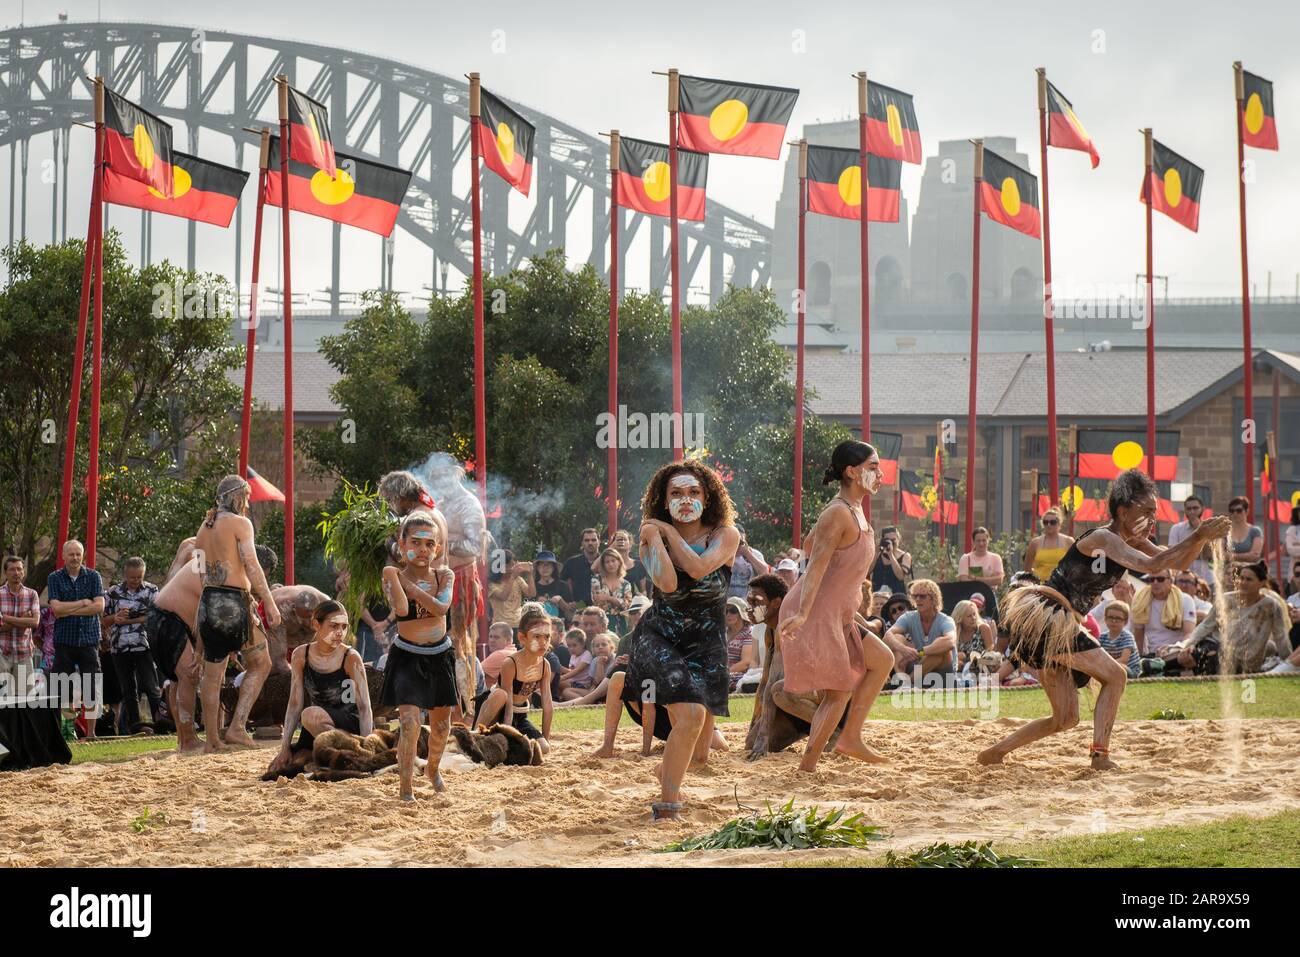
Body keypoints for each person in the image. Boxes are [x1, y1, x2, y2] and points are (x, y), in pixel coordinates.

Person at [979, 469, 1232, 770]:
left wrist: (1199, 539)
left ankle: (995, 752)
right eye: (1146, 511)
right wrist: (1199, 534)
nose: (1152, 519)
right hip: (1051, 618)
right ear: (1123, 512)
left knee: (1066, 718)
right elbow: (1154, 564)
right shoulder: (1103, 537)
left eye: (1155, 512)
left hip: (1057, 623)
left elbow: (1177, 562)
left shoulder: (1132, 542)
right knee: (1117, 675)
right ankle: (1100, 756)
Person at [620, 459, 740, 819]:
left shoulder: (726, 535)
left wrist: (668, 533)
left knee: (701, 753)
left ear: (707, 496)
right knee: (687, 717)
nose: (685, 500)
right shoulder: (648, 537)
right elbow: (669, 584)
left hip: (707, 642)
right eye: (676, 493)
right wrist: (656, 537)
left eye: (693, 492)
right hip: (661, 637)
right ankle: (667, 805)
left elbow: (701, 568)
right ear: (663, 499)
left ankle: (666, 773)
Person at [780, 440, 894, 772]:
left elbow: (808, 544)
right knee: (839, 689)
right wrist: (801, 613)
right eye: (873, 466)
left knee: (883, 659)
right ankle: (809, 766)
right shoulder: (838, 512)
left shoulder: (849, 508)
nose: (879, 472)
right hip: (814, 611)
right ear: (851, 471)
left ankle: (850, 739)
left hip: (836, 612)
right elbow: (813, 565)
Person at [193, 476, 281, 752]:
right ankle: (237, 727)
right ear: (237, 497)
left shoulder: (202, 529)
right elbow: (252, 565)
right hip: (232, 602)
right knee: (262, 663)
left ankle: (212, 741)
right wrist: (269, 602)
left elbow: (199, 573)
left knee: (212, 674)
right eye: (246, 497)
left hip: (209, 601)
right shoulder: (241, 524)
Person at [380, 509, 457, 799]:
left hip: (440, 655)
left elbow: (441, 608)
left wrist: (410, 586)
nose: (423, 550)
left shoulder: (444, 574)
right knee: (410, 722)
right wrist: (394, 578)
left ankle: (433, 768)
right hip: (407, 657)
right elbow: (401, 610)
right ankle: (405, 788)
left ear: (437, 548)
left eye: (429, 544)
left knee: (441, 725)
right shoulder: (393, 576)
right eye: (416, 542)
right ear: (402, 546)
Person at [266, 600, 374, 776]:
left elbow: (364, 707)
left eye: (344, 626)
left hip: (349, 725)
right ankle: (334, 757)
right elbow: (294, 705)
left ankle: (351, 755)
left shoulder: (350, 657)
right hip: (316, 729)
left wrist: (367, 747)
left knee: (310, 714)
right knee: (291, 765)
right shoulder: (301, 655)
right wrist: (284, 748)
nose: (340, 632)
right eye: (333, 626)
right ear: (316, 624)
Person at [144, 537, 205, 751]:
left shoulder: (197, 547)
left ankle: (183, 738)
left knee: (177, 680)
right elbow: (200, 591)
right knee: (188, 675)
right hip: (170, 617)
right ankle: (187, 739)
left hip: (167, 615)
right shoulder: (195, 547)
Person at [1178, 561, 1289, 675]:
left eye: (1249, 579)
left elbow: (1281, 637)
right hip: (1216, 646)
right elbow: (1206, 625)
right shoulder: (1225, 600)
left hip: (1245, 662)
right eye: (1241, 578)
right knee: (1187, 655)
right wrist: (1189, 645)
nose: (1244, 582)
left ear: (1262, 583)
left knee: (1211, 656)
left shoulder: (1271, 606)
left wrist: (1289, 664)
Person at [473, 604, 553, 751]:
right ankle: (475, 736)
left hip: (520, 716)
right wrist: (507, 733)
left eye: (547, 637)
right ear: (522, 638)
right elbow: (508, 705)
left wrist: (546, 739)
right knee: (501, 694)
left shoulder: (544, 665)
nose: (543, 642)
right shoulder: (511, 663)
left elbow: (547, 705)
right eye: (536, 637)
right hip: (497, 711)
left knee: (544, 748)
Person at [46, 539, 106, 728]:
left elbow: (99, 606)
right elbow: (56, 609)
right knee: (61, 686)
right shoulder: (54, 578)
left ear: (83, 556)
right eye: (71, 554)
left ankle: (91, 733)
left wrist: (68, 609)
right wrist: (82, 603)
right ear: (63, 556)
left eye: (78, 554)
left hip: (89, 639)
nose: (75, 558)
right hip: (65, 640)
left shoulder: (94, 576)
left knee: (92, 686)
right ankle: (62, 730)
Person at [102, 557, 162, 733]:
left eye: (139, 577)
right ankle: (136, 727)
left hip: (144, 645)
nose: (135, 581)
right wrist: (115, 618)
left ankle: (159, 723)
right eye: (132, 577)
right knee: (128, 690)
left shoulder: (152, 590)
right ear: (125, 575)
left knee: (152, 688)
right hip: (119, 647)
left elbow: (154, 616)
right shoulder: (113, 592)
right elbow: (103, 620)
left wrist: (130, 620)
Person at [883, 579, 958, 678]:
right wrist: (903, 649)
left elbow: (950, 642)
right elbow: (887, 637)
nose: (917, 599)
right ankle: (903, 681)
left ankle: (908, 682)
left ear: (933, 598)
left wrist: (919, 653)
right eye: (915, 596)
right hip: (920, 670)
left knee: (941, 650)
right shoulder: (909, 617)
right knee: (896, 637)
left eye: (922, 596)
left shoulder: (946, 620)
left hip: (943, 674)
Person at [1130, 571, 1196, 659]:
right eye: (1152, 579)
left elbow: (1189, 633)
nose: (1155, 582)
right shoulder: (1140, 601)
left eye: (1160, 579)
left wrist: (1177, 649)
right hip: (1152, 654)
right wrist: (1138, 659)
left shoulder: (1185, 599)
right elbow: (1138, 635)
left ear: (1171, 581)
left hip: (1177, 653)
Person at [0, 556, 40, 690]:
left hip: (24, 654)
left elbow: (35, 622)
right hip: (2, 654)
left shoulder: (32, 594)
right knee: (2, 700)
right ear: (5, 573)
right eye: (12, 569)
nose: (16, 573)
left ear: (23, 572)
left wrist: (5, 618)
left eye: (19, 569)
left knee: (26, 702)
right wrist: (23, 619)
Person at [1167, 494, 1214, 584]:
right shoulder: (1176, 528)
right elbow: (1172, 553)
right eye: (1189, 509)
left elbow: (1209, 554)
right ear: (1185, 511)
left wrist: (1199, 530)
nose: (1192, 512)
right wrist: (1197, 552)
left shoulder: (1210, 528)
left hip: (1205, 578)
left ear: (1202, 509)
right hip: (1182, 578)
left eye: (1195, 508)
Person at [1023, 508, 1075, 581]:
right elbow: (1027, 569)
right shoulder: (1035, 543)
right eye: (1045, 522)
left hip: (1062, 585)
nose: (1049, 525)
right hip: (1040, 586)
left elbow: (1076, 565)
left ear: (1059, 523)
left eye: (1052, 522)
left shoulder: (1068, 541)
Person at [487, 550, 534, 631]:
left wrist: (530, 574)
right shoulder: (491, 584)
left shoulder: (518, 579)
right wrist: (513, 577)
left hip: (518, 625)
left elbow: (531, 594)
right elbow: (503, 596)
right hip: (500, 626)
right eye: (511, 565)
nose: (514, 567)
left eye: (514, 564)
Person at [590, 547, 634, 634]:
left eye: (613, 560)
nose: (611, 564)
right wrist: (618, 602)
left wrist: (609, 598)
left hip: (621, 623)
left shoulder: (626, 584)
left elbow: (627, 606)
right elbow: (596, 600)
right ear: (603, 564)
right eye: (607, 562)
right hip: (601, 622)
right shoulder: (596, 579)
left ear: (619, 562)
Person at [1097, 601, 1141, 678]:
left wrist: (1105, 666)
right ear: (1105, 619)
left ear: (1126, 621)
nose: (1114, 621)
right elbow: (1098, 656)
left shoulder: (1127, 636)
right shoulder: (1102, 637)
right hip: (1110, 667)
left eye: (1118, 618)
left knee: (1120, 667)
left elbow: (1124, 660)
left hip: (1129, 670)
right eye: (1110, 617)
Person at [950, 598, 995, 671]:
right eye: (969, 616)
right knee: (960, 657)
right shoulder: (956, 632)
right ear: (960, 618)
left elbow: (991, 659)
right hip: (962, 669)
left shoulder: (983, 628)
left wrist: (971, 663)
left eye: (974, 614)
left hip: (982, 665)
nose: (973, 618)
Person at [563, 528, 603, 607]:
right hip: (579, 607)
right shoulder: (571, 562)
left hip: (602, 607)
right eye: (587, 540)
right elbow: (565, 585)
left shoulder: (606, 562)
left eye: (593, 540)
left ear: (599, 542)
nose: (590, 543)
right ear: (582, 543)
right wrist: (571, 602)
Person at [869, 526, 912, 595]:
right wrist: (876, 552)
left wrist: (891, 555)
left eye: (893, 539)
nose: (891, 542)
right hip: (877, 595)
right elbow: (868, 572)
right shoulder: (877, 554)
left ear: (899, 539)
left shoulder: (905, 556)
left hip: (896, 595)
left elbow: (900, 576)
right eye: (888, 540)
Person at [531, 551, 573, 621]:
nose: (545, 568)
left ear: (553, 568)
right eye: (541, 564)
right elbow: (525, 609)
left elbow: (570, 614)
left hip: (559, 626)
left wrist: (560, 600)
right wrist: (537, 604)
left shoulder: (562, 585)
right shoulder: (532, 586)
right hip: (537, 626)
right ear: (537, 568)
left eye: (548, 564)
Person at [729, 525, 769, 599]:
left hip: (747, 602)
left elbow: (765, 573)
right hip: (726, 601)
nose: (738, 544)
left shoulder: (755, 554)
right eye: (735, 540)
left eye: (740, 541)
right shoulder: (724, 553)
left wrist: (747, 554)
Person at [724, 596, 755, 690]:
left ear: (741, 613)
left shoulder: (749, 633)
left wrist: (723, 673)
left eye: (733, 611)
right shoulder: (721, 632)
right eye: (725, 611)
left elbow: (745, 663)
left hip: (737, 675)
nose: (728, 614)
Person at [1225, 496, 1264, 567]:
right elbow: (1220, 556)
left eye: (1239, 510)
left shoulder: (1255, 531)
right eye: (1232, 511)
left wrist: (1231, 556)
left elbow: (1255, 556)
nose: (1235, 513)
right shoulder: (1224, 532)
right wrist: (1246, 556)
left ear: (1247, 511)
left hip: (1249, 573)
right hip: (1229, 573)